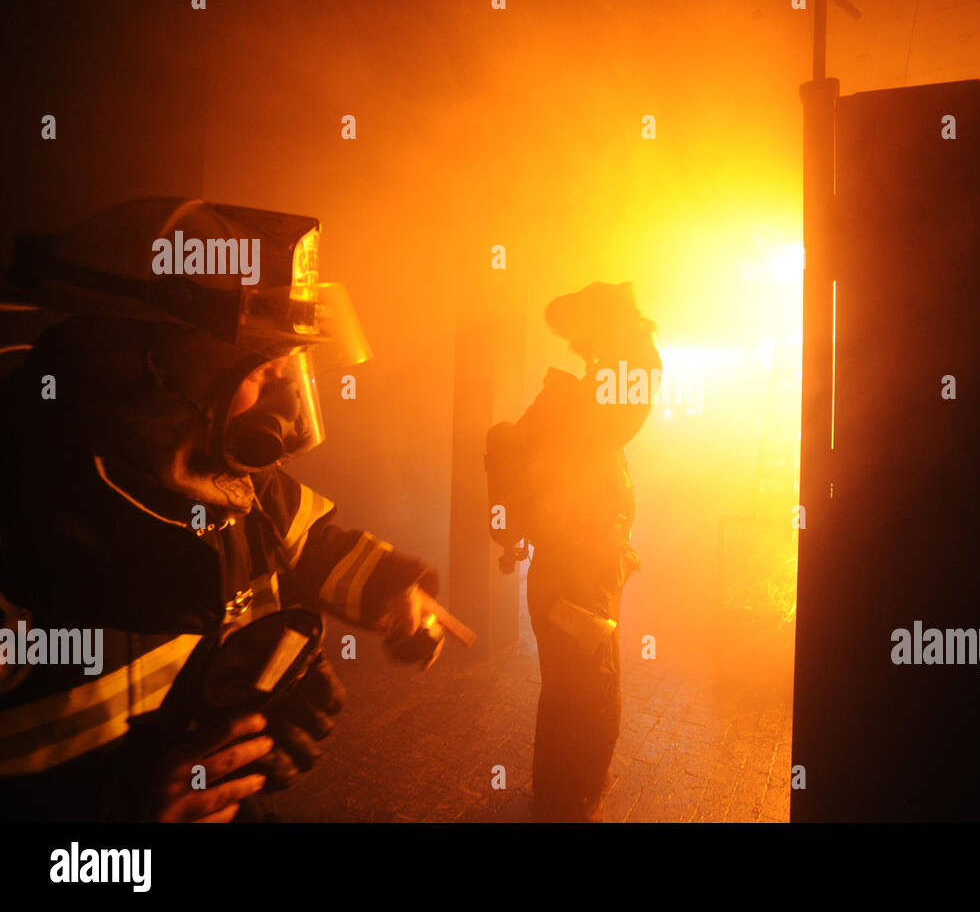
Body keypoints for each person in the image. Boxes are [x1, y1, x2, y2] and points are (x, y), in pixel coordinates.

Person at [0, 198, 447, 821]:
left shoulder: (232, 479)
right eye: (263, 372)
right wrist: (128, 809)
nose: (288, 410)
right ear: (146, 366)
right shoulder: (20, 522)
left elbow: (313, 541)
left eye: (293, 370)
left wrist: (394, 590)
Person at [488, 282, 660, 821]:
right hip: (575, 570)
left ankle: (567, 793)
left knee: (576, 683)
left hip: (577, 568)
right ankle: (570, 798)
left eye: (577, 336)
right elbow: (615, 416)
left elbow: (619, 410)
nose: (575, 347)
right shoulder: (578, 406)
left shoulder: (585, 403)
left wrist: (622, 338)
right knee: (583, 684)